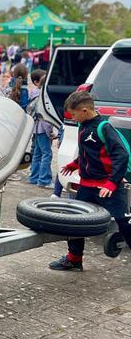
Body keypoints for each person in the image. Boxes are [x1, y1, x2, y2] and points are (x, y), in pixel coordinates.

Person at [51, 91, 131, 271]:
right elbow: (90, 153)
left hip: (108, 186)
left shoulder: (104, 128)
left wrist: (112, 182)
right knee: (76, 221)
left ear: (85, 111)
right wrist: (75, 164)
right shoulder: (83, 126)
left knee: (123, 221)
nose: (72, 117)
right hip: (87, 185)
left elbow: (121, 155)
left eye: (74, 114)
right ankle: (74, 259)